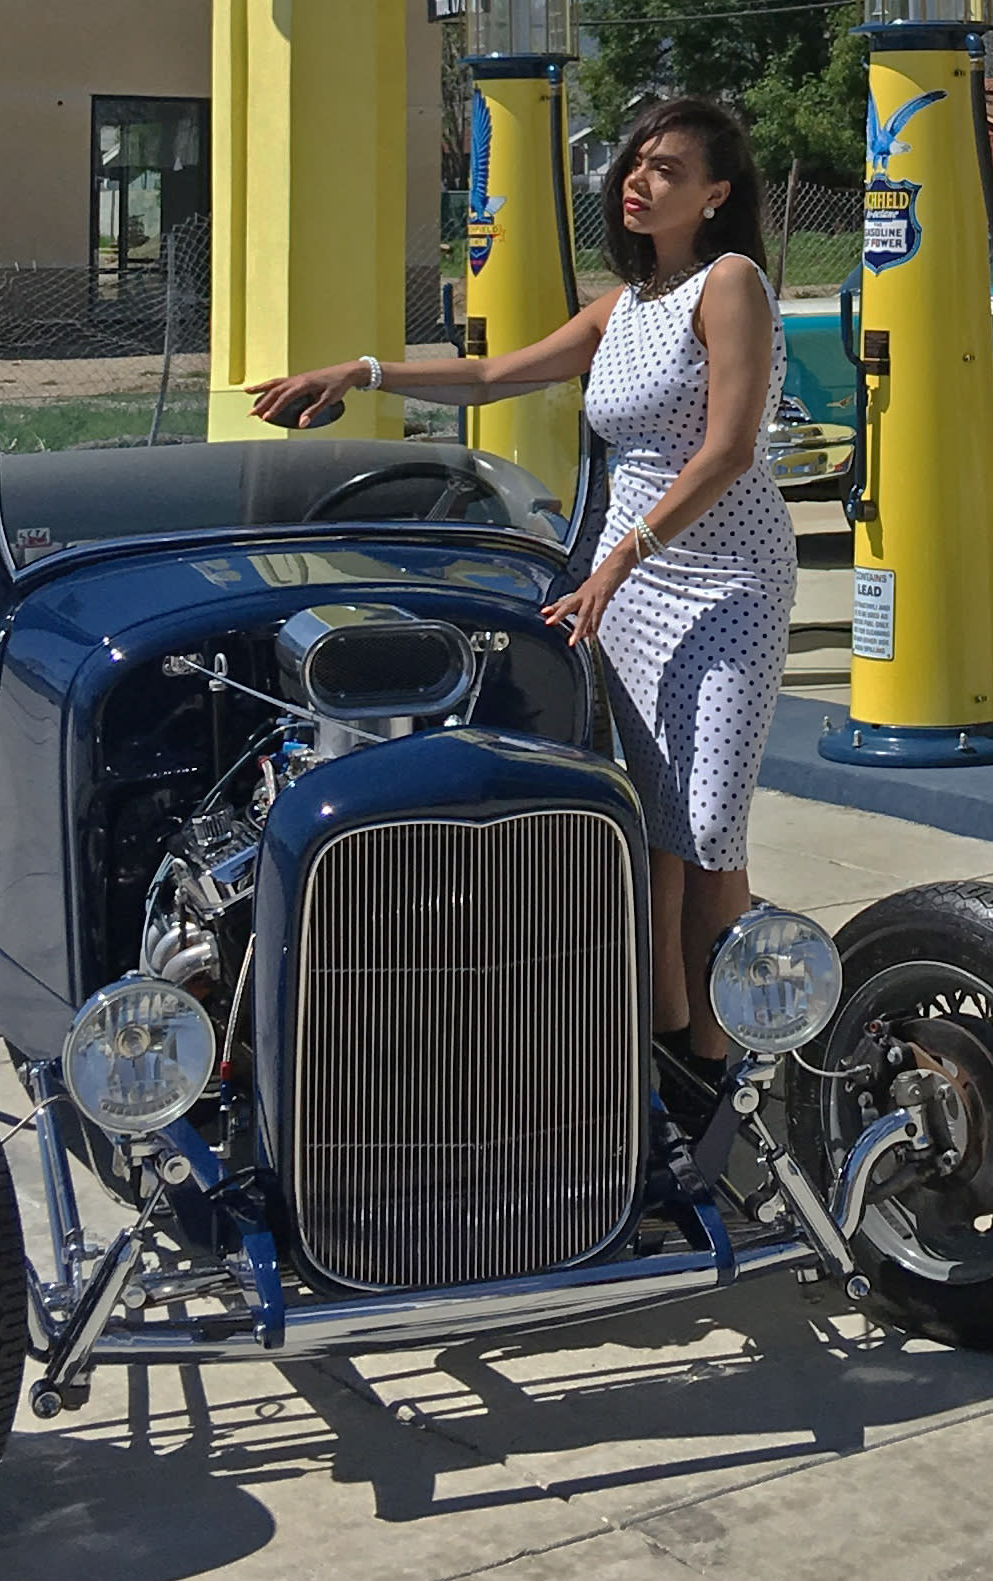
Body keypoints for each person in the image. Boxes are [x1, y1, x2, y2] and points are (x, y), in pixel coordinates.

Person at [248, 95, 794, 1094]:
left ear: (716, 194)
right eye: (633, 163)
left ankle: (731, 1070)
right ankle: (665, 1047)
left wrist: (615, 562)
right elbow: (494, 373)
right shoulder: (624, 305)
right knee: (654, 816)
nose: (637, 178)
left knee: (709, 828)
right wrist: (361, 370)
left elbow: (727, 449)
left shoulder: (731, 283)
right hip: (623, 584)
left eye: (667, 169)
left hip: (721, 583)